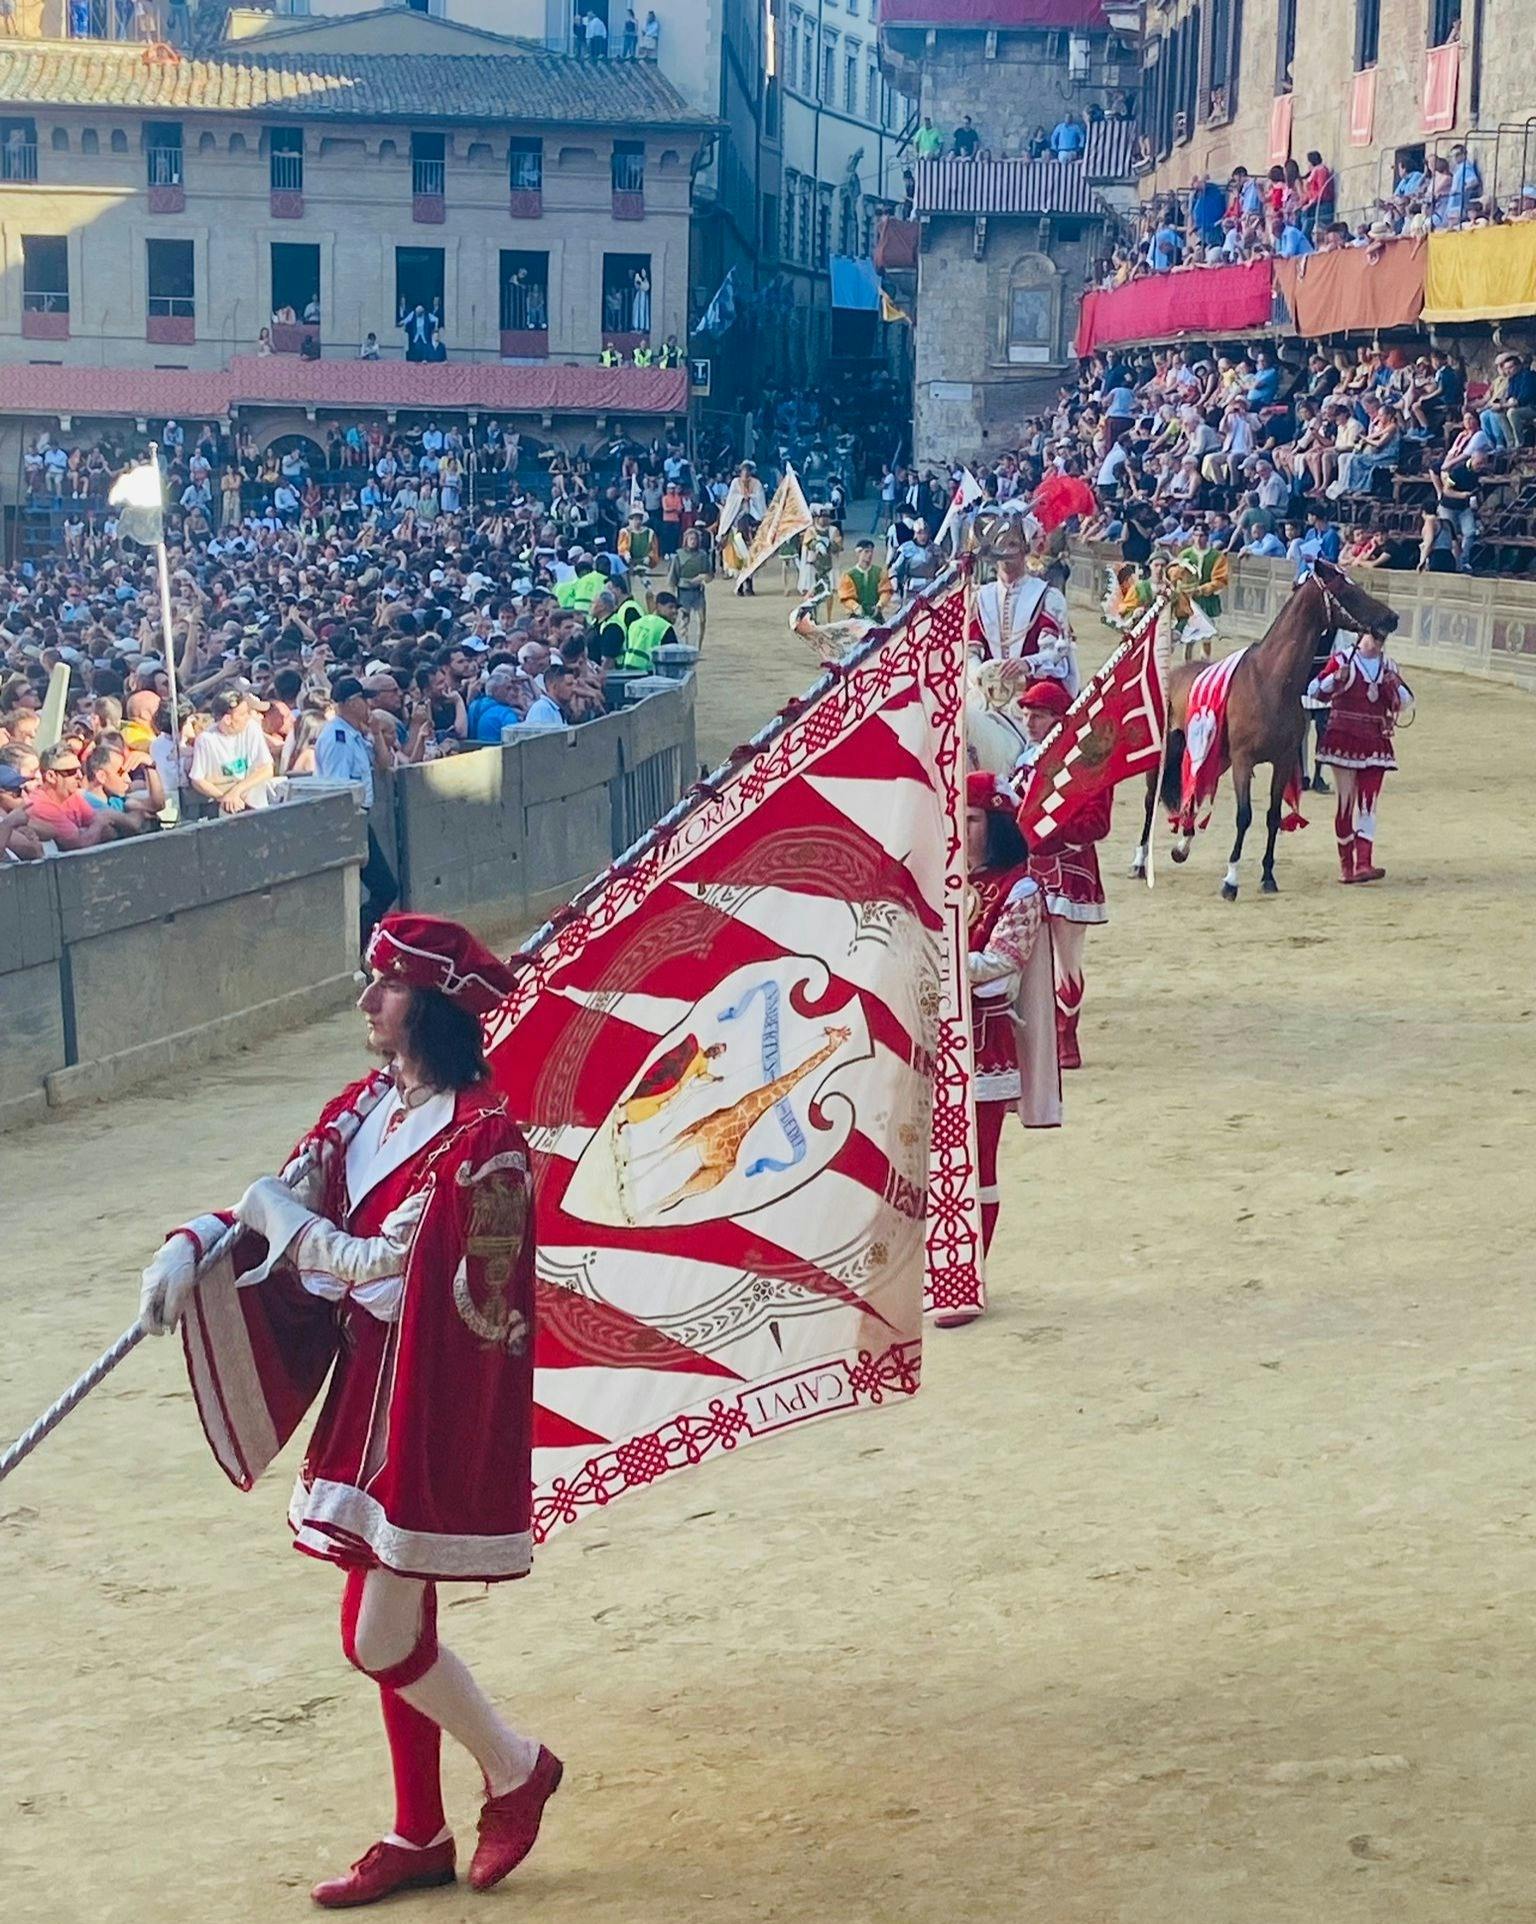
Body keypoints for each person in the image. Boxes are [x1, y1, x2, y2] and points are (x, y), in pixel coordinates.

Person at [136, 913, 562, 1909]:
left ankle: (516, 1768)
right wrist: (194, 1240)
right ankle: (418, 1830)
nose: (366, 1002)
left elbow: (389, 1273)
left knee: (379, 1637)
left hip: (434, 1395)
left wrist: (276, 1218)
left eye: (388, 986)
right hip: (373, 1387)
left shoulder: (486, 1142)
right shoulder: (371, 1104)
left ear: (436, 1006)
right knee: (385, 1610)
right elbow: (290, 1187)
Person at [960, 772, 1059, 1306]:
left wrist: (939, 961)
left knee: (978, 1166)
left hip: (985, 1045)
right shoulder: (948, 880)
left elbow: (1002, 967)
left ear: (993, 824)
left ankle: (968, 1275)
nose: (963, 830)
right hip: (935, 1045)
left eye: (973, 820)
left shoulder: (1019, 888)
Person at [1013, 679, 1109, 1070]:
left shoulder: (1086, 763)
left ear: (1057, 719)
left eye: (1038, 716)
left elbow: (1097, 823)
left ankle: (1067, 1037)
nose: (1030, 722)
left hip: (1069, 872)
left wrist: (1050, 831)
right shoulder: (1024, 760)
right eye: (1027, 715)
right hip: (1028, 871)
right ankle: (1036, 1036)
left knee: (1065, 959)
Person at [1307, 632, 1414, 883]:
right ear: (1361, 635)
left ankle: (1363, 863)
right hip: (1344, 737)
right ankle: (1347, 866)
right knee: (1345, 802)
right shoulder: (1343, 659)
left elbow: (1407, 702)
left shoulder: (1388, 666)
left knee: (1368, 803)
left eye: (1381, 639)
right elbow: (1314, 690)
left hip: (1376, 739)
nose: (1377, 644)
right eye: (1374, 637)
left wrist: (1392, 684)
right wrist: (1335, 678)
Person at [315, 675, 400, 945]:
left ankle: (359, 943)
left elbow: (384, 764)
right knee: (383, 887)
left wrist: (375, 733)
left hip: (359, 819)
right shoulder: (337, 737)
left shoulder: (352, 734)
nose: (369, 704)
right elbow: (337, 787)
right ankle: (357, 944)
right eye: (365, 699)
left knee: (379, 888)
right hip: (349, 821)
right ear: (352, 703)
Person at [967, 522, 1077, 691]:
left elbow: (1058, 654)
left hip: (1033, 692)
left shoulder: (1047, 596)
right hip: (987, 694)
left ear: (1025, 549)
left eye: (1012, 544)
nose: (1005, 551)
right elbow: (970, 652)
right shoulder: (981, 597)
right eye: (1000, 544)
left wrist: (1027, 664)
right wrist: (980, 676)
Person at [189, 689, 278, 814]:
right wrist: (224, 798)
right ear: (227, 719)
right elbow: (197, 779)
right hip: (224, 805)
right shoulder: (206, 740)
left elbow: (267, 769)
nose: (247, 717)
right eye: (242, 714)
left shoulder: (252, 728)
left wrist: (237, 791)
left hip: (256, 803)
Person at [667, 524, 714, 646]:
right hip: (683, 592)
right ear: (686, 540)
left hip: (698, 592)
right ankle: (685, 645)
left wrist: (703, 577)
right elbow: (673, 577)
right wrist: (673, 595)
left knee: (702, 620)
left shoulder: (702, 556)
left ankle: (698, 646)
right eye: (690, 539)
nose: (693, 541)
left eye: (695, 539)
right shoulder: (679, 556)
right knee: (684, 621)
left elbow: (709, 575)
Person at [837, 538, 894, 620]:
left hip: (876, 615)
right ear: (858, 553)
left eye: (871, 552)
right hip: (856, 616)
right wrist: (855, 607)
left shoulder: (879, 572)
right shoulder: (849, 575)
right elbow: (846, 597)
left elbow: (886, 591)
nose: (870, 554)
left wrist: (880, 605)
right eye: (866, 551)